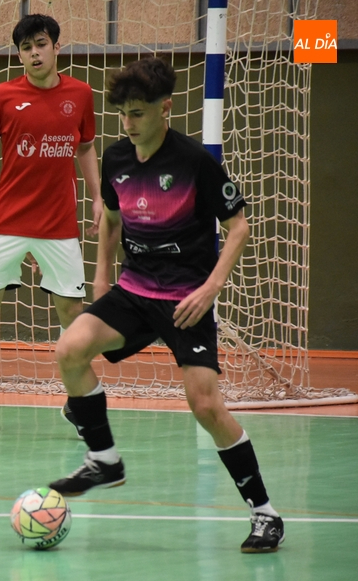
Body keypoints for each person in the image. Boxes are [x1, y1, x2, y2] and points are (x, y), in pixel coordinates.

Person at [49, 57, 284, 552]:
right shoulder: (116, 158)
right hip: (134, 290)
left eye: (137, 114)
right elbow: (110, 221)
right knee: (70, 349)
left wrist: (209, 290)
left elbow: (238, 226)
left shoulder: (194, 162)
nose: (129, 124)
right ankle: (105, 461)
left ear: (165, 108)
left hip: (186, 301)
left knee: (205, 406)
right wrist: (101, 278)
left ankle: (264, 513)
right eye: (124, 115)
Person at [0, 13, 101, 442]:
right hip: (7, 223)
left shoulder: (80, 94)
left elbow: (87, 148)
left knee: (73, 314)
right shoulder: (2, 96)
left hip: (59, 225)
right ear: (19, 54)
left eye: (40, 44)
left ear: (56, 46)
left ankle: (76, 402)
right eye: (25, 47)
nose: (33, 53)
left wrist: (95, 197)